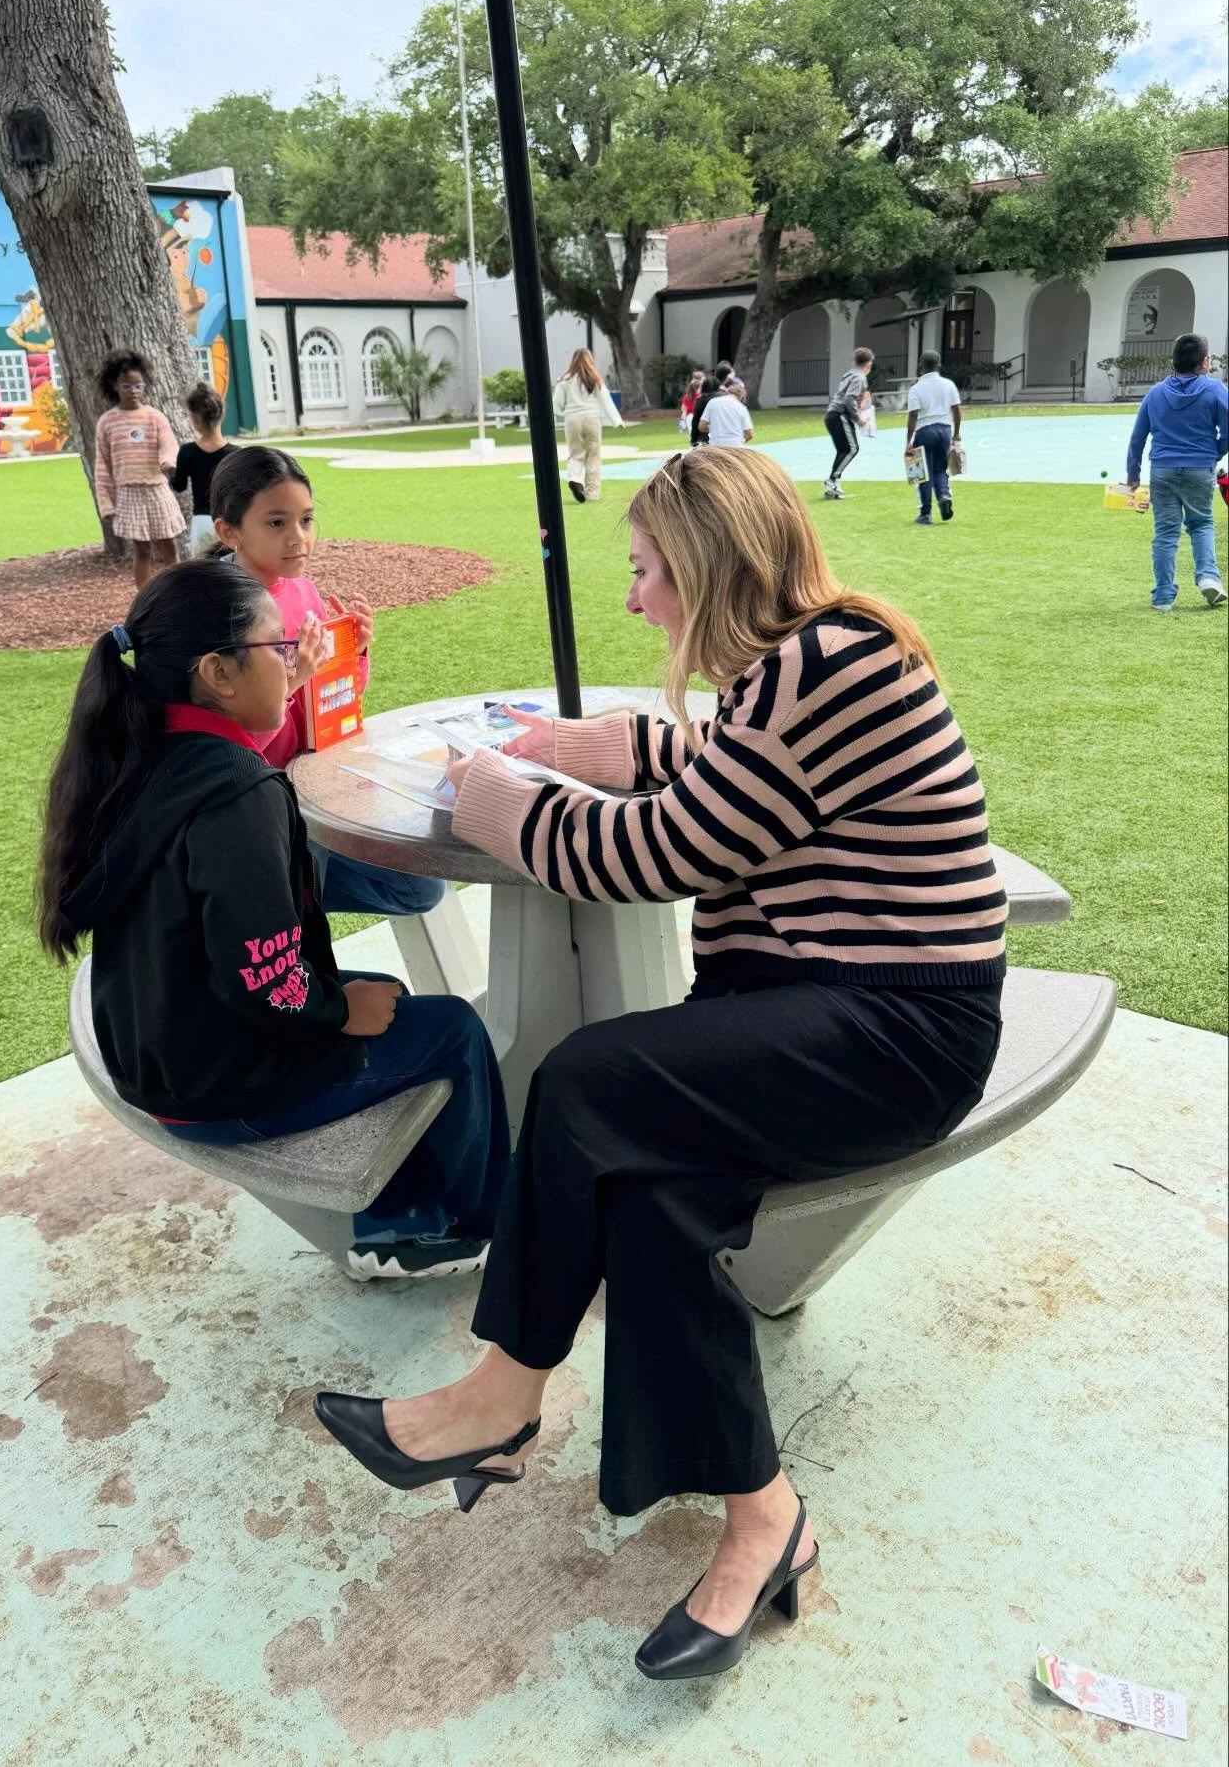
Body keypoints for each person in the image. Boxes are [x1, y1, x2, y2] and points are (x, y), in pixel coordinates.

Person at [314, 445, 1007, 1678]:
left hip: (895, 1032)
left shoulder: (824, 666)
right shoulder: (795, 669)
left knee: (587, 1081)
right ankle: (766, 1520)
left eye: (645, 570)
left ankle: (500, 1396)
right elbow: (712, 769)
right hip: (829, 1009)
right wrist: (567, 746)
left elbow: (651, 855)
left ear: (704, 564)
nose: (635, 600)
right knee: (645, 1191)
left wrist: (486, 789)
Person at [37, 557, 508, 1281]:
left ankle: (400, 1203)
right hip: (211, 1084)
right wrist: (336, 1011)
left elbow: (244, 959)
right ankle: (455, 1229)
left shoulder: (147, 753)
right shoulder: (236, 796)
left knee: (389, 997)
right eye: (279, 648)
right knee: (453, 1030)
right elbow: (265, 980)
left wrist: (340, 1003)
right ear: (217, 673)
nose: (293, 665)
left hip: (154, 1047)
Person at [210, 445, 449, 920]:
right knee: (293, 915)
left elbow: (332, 702)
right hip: (264, 799)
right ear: (229, 531)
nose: (298, 538)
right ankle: (286, 903)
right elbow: (227, 748)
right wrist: (292, 680)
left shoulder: (303, 590)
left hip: (318, 780)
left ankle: (299, 895)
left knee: (419, 888)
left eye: (306, 520)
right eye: (276, 523)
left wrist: (352, 654)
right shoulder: (219, 608)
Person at [1125, 333, 1228, 611]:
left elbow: (1137, 438)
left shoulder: (1155, 393)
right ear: (1205, 361)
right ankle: (1208, 577)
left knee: (1166, 533)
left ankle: (1163, 596)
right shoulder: (1215, 390)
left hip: (1162, 469)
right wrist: (1216, 452)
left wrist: (1133, 475)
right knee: (1201, 524)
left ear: (1174, 361)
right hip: (1200, 468)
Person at [93, 350, 184, 588]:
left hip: (156, 488)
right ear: (115, 386)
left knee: (169, 544)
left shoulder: (155, 417)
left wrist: (167, 461)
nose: (133, 391)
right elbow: (102, 465)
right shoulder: (107, 422)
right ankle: (144, 597)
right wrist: (106, 504)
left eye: (138, 386)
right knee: (141, 550)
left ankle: (179, 592)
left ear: (145, 385)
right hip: (128, 492)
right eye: (127, 386)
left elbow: (168, 444)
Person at [172, 382, 236, 553]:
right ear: (221, 413)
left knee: (202, 565)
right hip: (230, 519)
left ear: (195, 418)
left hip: (202, 520)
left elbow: (179, 485)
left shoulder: (187, 452)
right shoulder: (235, 453)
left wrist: (169, 472)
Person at [553, 349, 623, 503]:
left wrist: (563, 412)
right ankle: (592, 492)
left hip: (572, 419)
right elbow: (606, 400)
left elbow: (557, 404)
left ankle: (575, 479)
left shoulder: (564, 380)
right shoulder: (594, 379)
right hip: (592, 418)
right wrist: (617, 420)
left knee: (575, 453)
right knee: (593, 455)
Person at [904, 351, 962, 525]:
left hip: (924, 430)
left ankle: (925, 513)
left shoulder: (916, 389)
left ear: (920, 366)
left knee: (922, 474)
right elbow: (956, 411)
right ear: (939, 365)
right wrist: (956, 433)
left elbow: (913, 415)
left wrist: (908, 441)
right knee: (940, 469)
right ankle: (943, 495)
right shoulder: (948, 385)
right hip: (944, 429)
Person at [822, 346, 874, 499]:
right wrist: (858, 418)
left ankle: (833, 483)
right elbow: (849, 399)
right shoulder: (859, 377)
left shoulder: (849, 375)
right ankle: (832, 480)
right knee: (851, 448)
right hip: (840, 415)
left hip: (833, 414)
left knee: (843, 449)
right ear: (868, 364)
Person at [699, 377, 753, 447]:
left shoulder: (712, 402)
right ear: (741, 397)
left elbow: (702, 426)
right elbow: (749, 434)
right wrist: (742, 441)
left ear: (727, 392)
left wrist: (716, 428)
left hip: (716, 446)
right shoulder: (741, 408)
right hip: (735, 446)